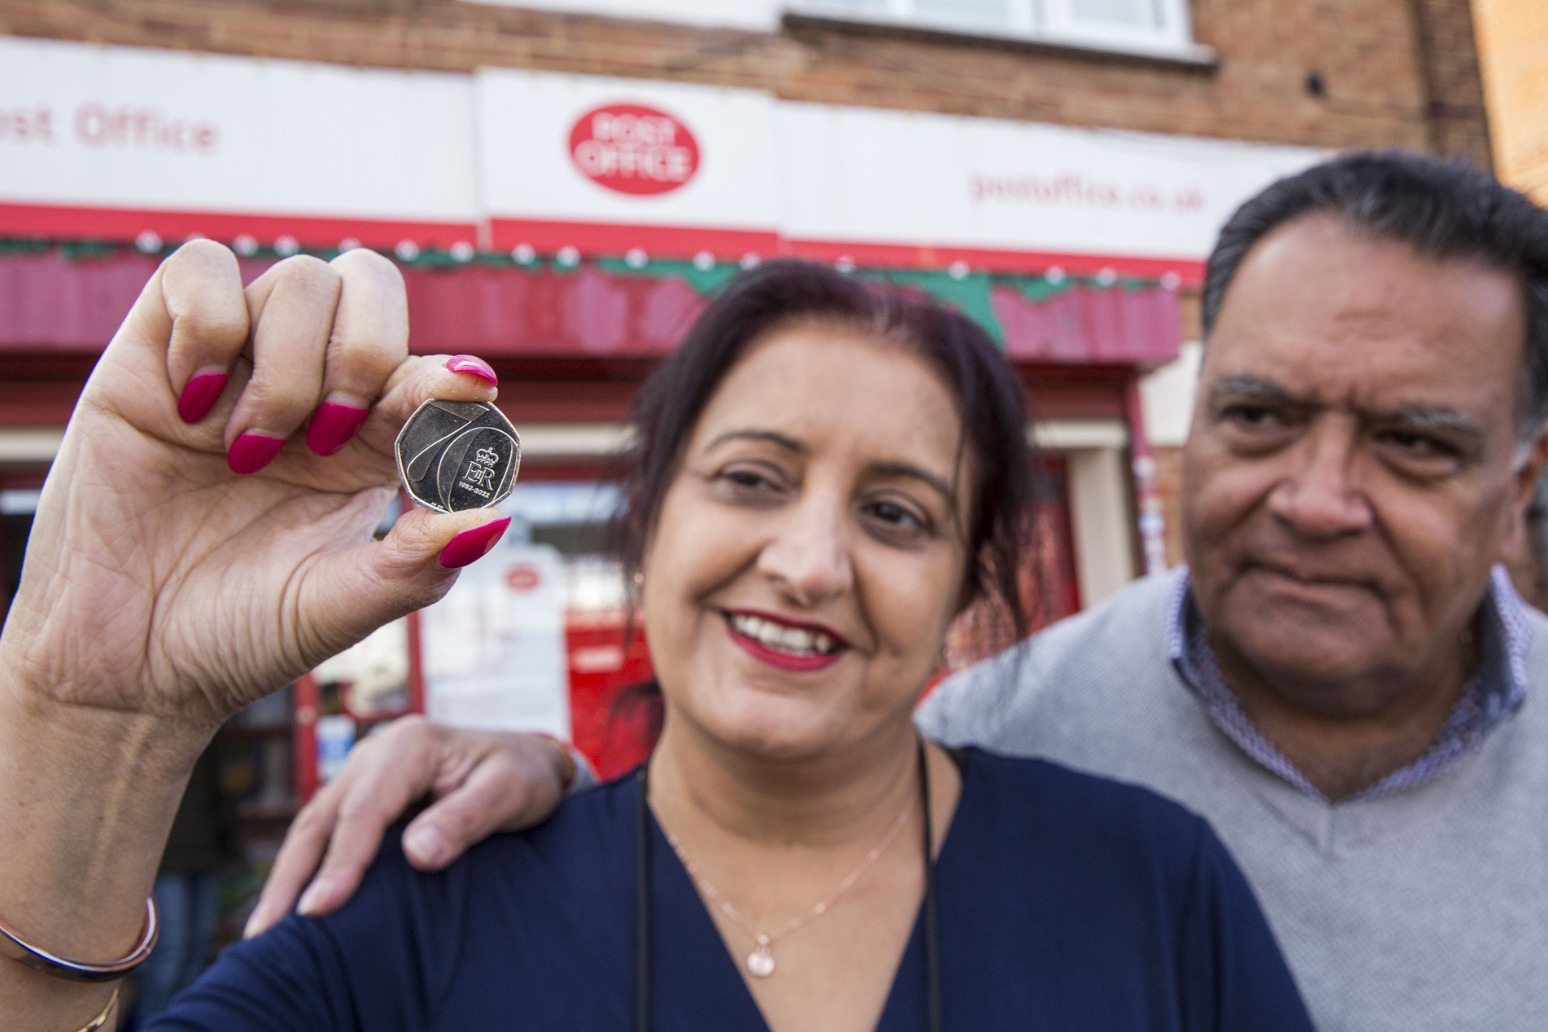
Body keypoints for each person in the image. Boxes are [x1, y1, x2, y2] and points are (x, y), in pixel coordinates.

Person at [258, 150, 1548, 1032]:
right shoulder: (993, 728)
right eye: (1260, 415)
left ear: (1520, 474)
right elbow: (755, 796)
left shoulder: (1143, 871)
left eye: (1414, 442)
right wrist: (555, 799)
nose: (1318, 497)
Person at [0, 256, 1311, 1032]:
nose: (807, 562)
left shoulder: (1151, 885)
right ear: (652, 520)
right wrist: (87, 716)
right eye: (750, 479)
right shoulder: (421, 914)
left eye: (897, 513)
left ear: (970, 585)